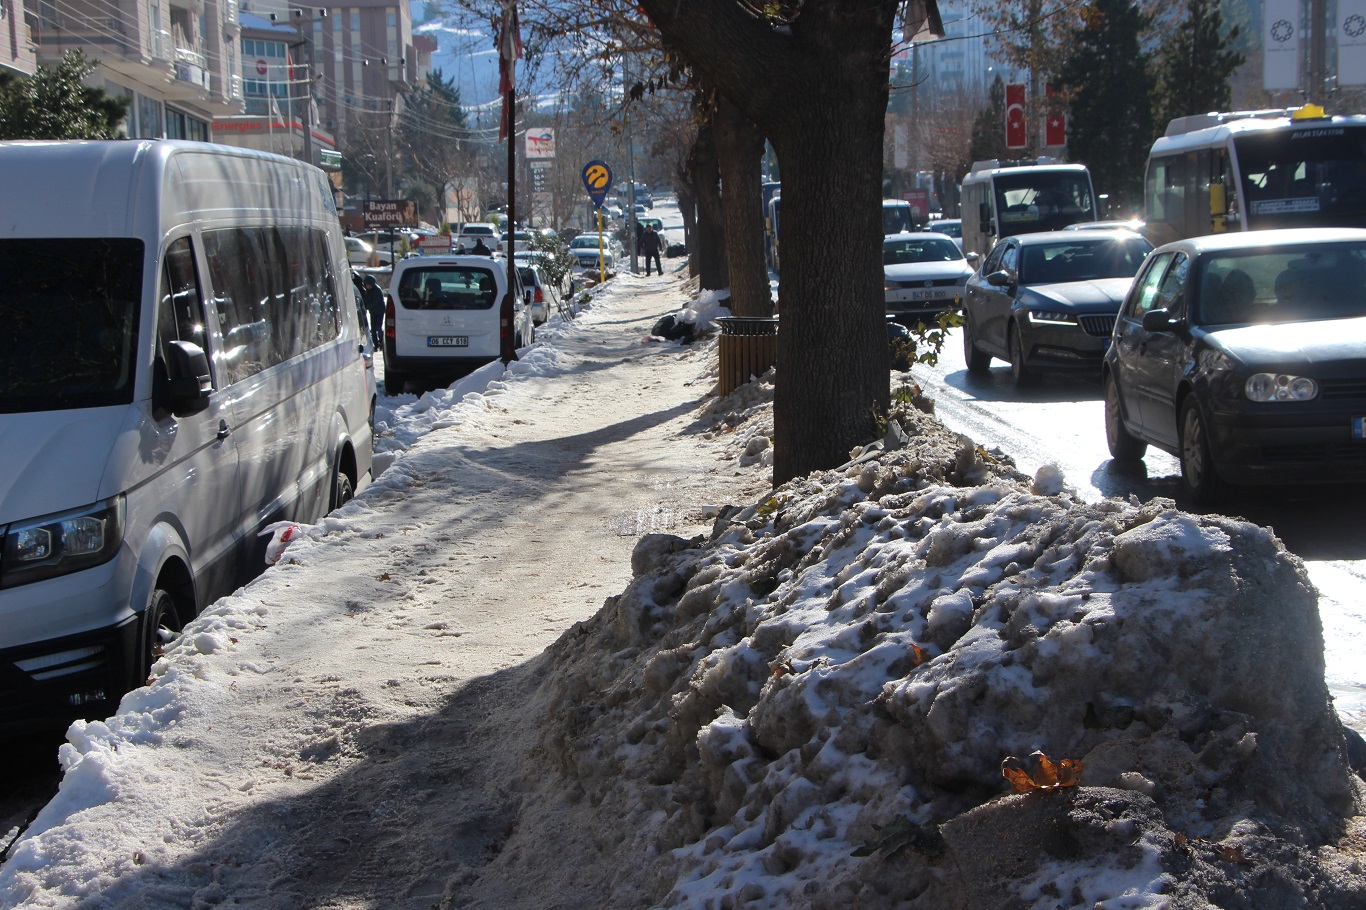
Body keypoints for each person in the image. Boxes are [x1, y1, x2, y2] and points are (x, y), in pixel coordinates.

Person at [361, 274, 385, 348]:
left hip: (379, 311)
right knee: (373, 329)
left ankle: (382, 342)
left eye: (369, 285)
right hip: (373, 312)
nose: (368, 286)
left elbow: (375, 302)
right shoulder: (367, 291)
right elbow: (366, 299)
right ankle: (376, 344)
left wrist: (367, 307)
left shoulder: (377, 290)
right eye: (367, 285)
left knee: (378, 327)